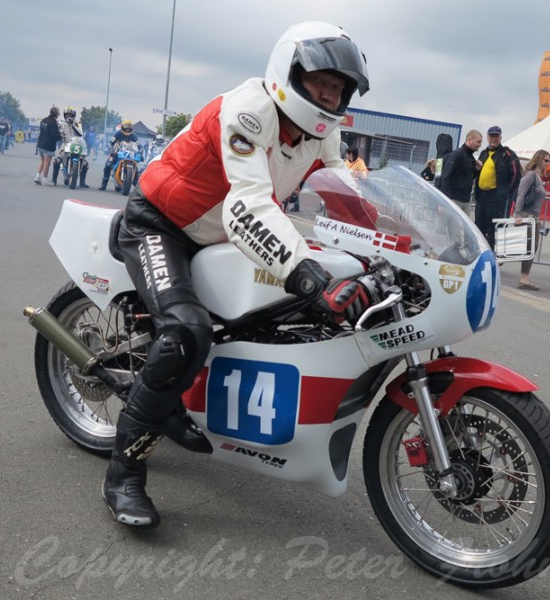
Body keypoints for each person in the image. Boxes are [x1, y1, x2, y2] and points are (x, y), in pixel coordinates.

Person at [103, 21, 371, 529]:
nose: (330, 95)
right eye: (321, 83)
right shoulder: (248, 109)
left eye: (339, 88)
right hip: (163, 223)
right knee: (187, 332)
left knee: (269, 320)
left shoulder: (324, 134)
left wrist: (390, 248)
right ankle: (124, 472)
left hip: (217, 234)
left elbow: (344, 200)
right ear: (289, 73)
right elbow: (247, 208)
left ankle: (181, 400)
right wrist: (311, 276)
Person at [474, 126, 521, 248]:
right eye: (491, 136)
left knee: (494, 230)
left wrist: (506, 194)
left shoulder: (508, 154)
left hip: (497, 199)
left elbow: (516, 175)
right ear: (487, 138)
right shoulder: (483, 153)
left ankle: (493, 258)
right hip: (481, 198)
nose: (494, 139)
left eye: (496, 136)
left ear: (500, 137)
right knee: (479, 228)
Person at [513, 150, 550, 290]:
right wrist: (517, 215)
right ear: (539, 159)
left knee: (530, 248)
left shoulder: (538, 177)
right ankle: (492, 265)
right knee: (516, 247)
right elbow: (521, 194)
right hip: (526, 216)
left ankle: (524, 279)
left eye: (549, 161)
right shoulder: (530, 175)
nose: (548, 163)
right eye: (546, 160)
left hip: (534, 217)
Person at [436, 129, 482, 212]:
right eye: (478, 142)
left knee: (459, 225)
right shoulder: (457, 155)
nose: (480, 145)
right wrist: (442, 202)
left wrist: (477, 170)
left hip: (465, 201)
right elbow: (445, 177)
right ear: (469, 140)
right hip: (453, 200)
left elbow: (469, 177)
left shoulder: (471, 158)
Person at [51, 107, 89, 188]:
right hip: (65, 145)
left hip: (77, 145)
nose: (68, 116)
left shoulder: (77, 123)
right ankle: (54, 180)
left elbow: (80, 133)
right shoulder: (61, 123)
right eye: (67, 115)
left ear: (73, 116)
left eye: (70, 115)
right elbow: (56, 131)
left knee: (85, 164)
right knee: (57, 161)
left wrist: (72, 125)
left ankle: (82, 182)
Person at [98, 120, 140, 191]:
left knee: (136, 171)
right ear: (122, 127)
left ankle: (139, 190)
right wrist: (110, 148)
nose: (127, 129)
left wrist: (141, 151)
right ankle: (103, 185)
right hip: (117, 153)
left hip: (130, 155)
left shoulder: (134, 135)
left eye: (129, 127)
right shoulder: (118, 133)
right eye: (126, 127)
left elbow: (140, 145)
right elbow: (110, 142)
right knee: (108, 165)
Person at [34, 106, 60, 185]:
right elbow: (54, 136)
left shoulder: (44, 120)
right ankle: (45, 179)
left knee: (42, 160)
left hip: (41, 143)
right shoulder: (53, 123)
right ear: (57, 114)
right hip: (48, 145)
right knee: (47, 163)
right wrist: (61, 136)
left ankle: (37, 176)